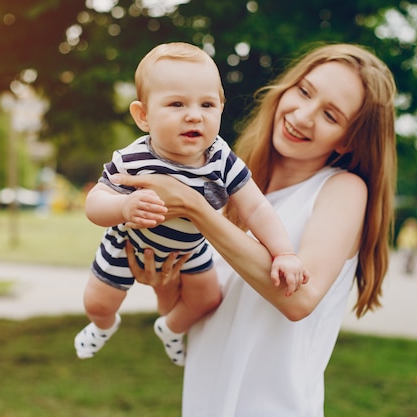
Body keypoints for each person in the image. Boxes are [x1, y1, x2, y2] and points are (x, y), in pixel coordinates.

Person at [115, 42, 397, 416]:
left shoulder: (342, 190)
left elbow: (299, 299)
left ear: (347, 140)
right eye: (304, 91)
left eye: (330, 114)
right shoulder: (233, 185)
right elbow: (189, 320)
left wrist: (195, 208)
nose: (303, 115)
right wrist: (163, 281)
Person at [74, 42, 308, 366]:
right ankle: (102, 326)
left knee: (208, 299)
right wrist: (122, 209)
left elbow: (256, 208)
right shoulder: (135, 159)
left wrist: (284, 252)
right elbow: (95, 202)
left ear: (221, 109)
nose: (194, 115)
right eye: (176, 103)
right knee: (98, 303)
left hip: (190, 250)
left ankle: (170, 328)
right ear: (143, 115)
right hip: (127, 243)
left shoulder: (221, 159)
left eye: (207, 104)